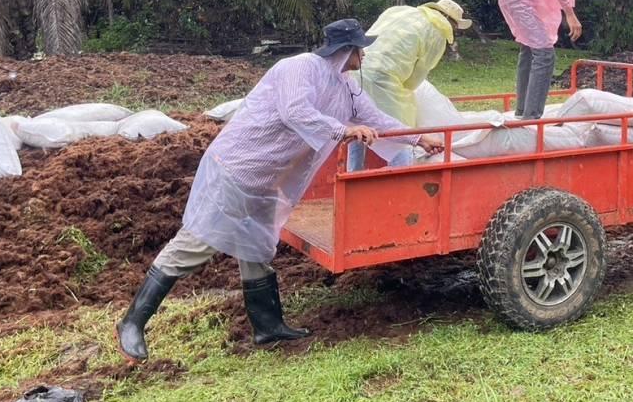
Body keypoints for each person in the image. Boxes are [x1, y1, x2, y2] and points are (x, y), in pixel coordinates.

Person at [115, 18, 445, 363]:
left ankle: (268, 326)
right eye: (359, 47)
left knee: (257, 247)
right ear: (345, 49)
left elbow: (376, 118)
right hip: (237, 168)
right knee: (196, 243)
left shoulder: (345, 85)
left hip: (267, 180)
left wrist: (421, 137)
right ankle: (132, 323)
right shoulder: (297, 68)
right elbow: (295, 112)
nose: (363, 54)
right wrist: (343, 130)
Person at [348, 0, 473, 170]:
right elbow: (416, 77)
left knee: (358, 126)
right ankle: (400, 181)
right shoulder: (437, 31)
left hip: (355, 70)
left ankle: (353, 174)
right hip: (385, 80)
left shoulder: (399, 11)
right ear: (452, 23)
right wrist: (407, 96)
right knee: (402, 134)